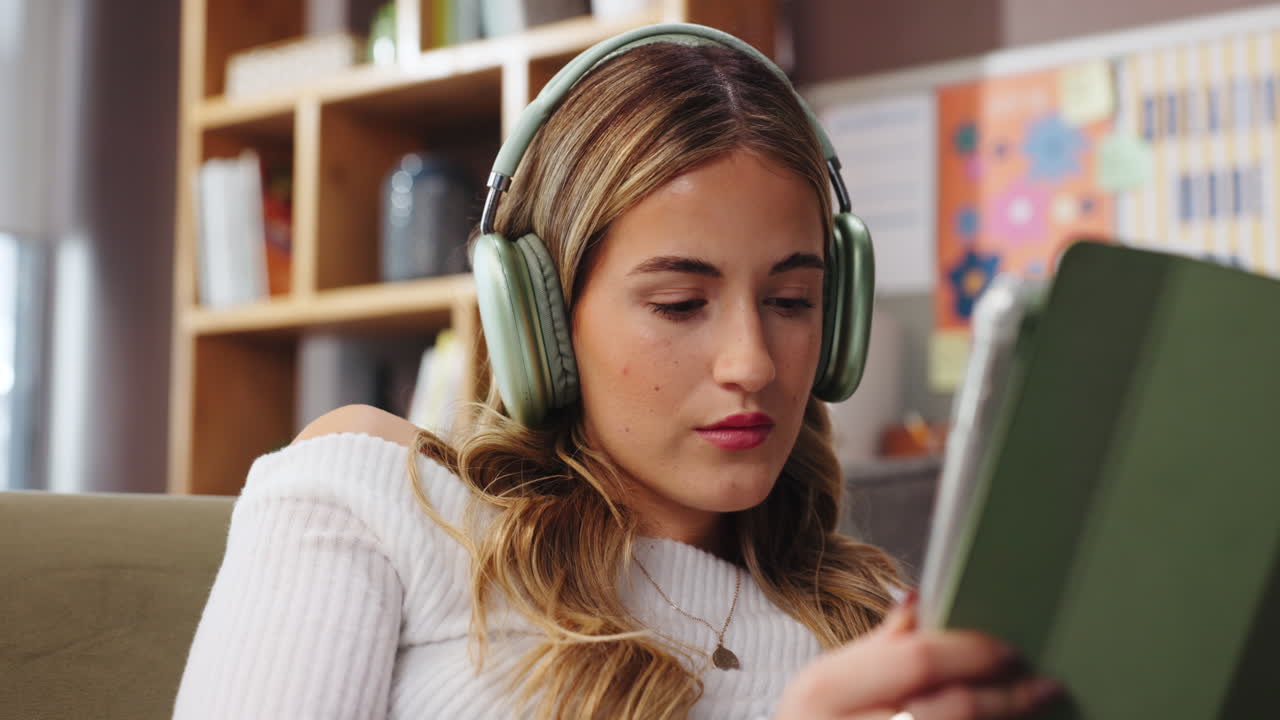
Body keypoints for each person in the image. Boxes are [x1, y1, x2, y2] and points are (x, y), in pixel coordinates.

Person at [173, 24, 1061, 720]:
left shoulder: (886, 622)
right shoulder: (388, 502)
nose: (752, 363)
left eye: (792, 302)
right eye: (680, 305)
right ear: (540, 320)